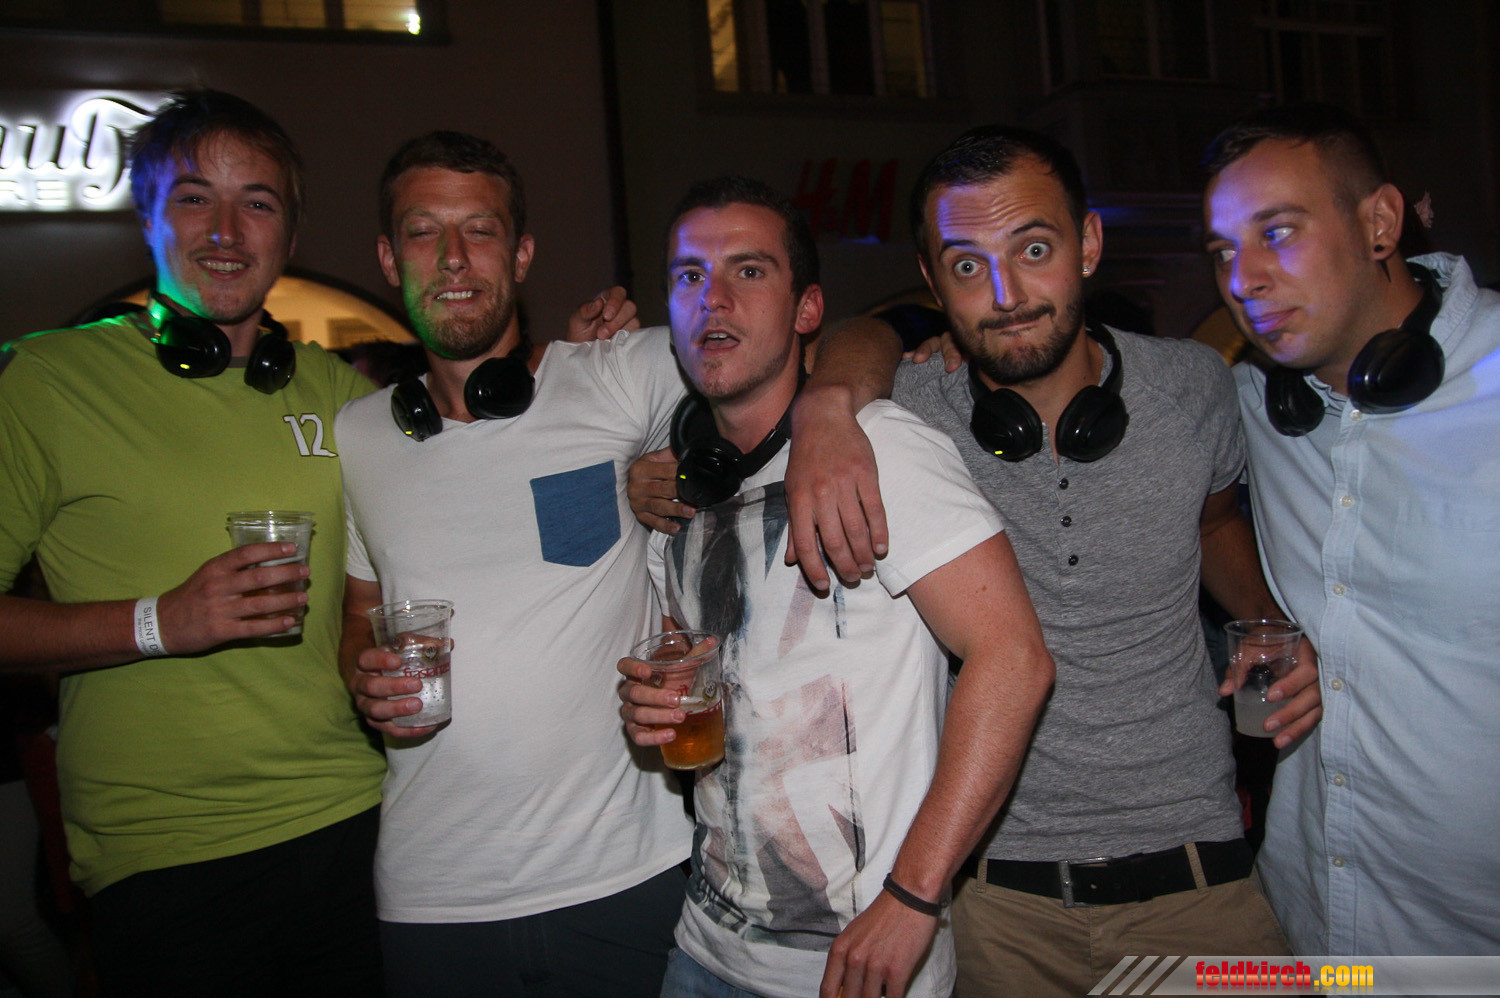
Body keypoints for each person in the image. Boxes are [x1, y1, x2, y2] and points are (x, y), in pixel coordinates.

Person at [631, 129, 1325, 996]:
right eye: (967, 265)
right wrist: (831, 407)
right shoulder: (913, 409)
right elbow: (854, 334)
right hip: (993, 902)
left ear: (1089, 243)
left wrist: (1273, 625)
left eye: (1033, 249)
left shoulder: (1193, 386)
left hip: (1196, 878)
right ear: (933, 282)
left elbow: (1215, 519)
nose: (1006, 294)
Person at [618, 175, 1055, 998]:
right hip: (703, 951)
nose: (714, 298)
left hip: (864, 966)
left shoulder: (877, 447)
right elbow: (715, 718)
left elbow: (1015, 659)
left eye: (749, 271)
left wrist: (915, 895)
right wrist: (658, 713)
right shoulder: (677, 506)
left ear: (808, 309)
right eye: (689, 276)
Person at [0, 89, 386, 996]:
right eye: (193, 198)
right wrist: (159, 622)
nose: (225, 231)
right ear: (145, 216)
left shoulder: (342, 395)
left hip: (354, 823)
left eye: (257, 202)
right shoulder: (48, 381)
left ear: (289, 235)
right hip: (163, 860)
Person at [335, 130, 692, 998]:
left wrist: (840, 400)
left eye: (481, 229)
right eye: (424, 231)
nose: (454, 257)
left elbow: (789, 349)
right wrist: (363, 676)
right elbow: (356, 619)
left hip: (629, 876)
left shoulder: (616, 376)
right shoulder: (359, 437)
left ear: (523, 254)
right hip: (433, 896)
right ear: (388, 258)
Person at [1202, 103, 1500, 956]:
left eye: (1277, 233)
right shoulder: (1253, 401)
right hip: (1308, 924)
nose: (1243, 279)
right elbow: (1203, 509)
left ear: (1380, 223)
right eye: (1222, 252)